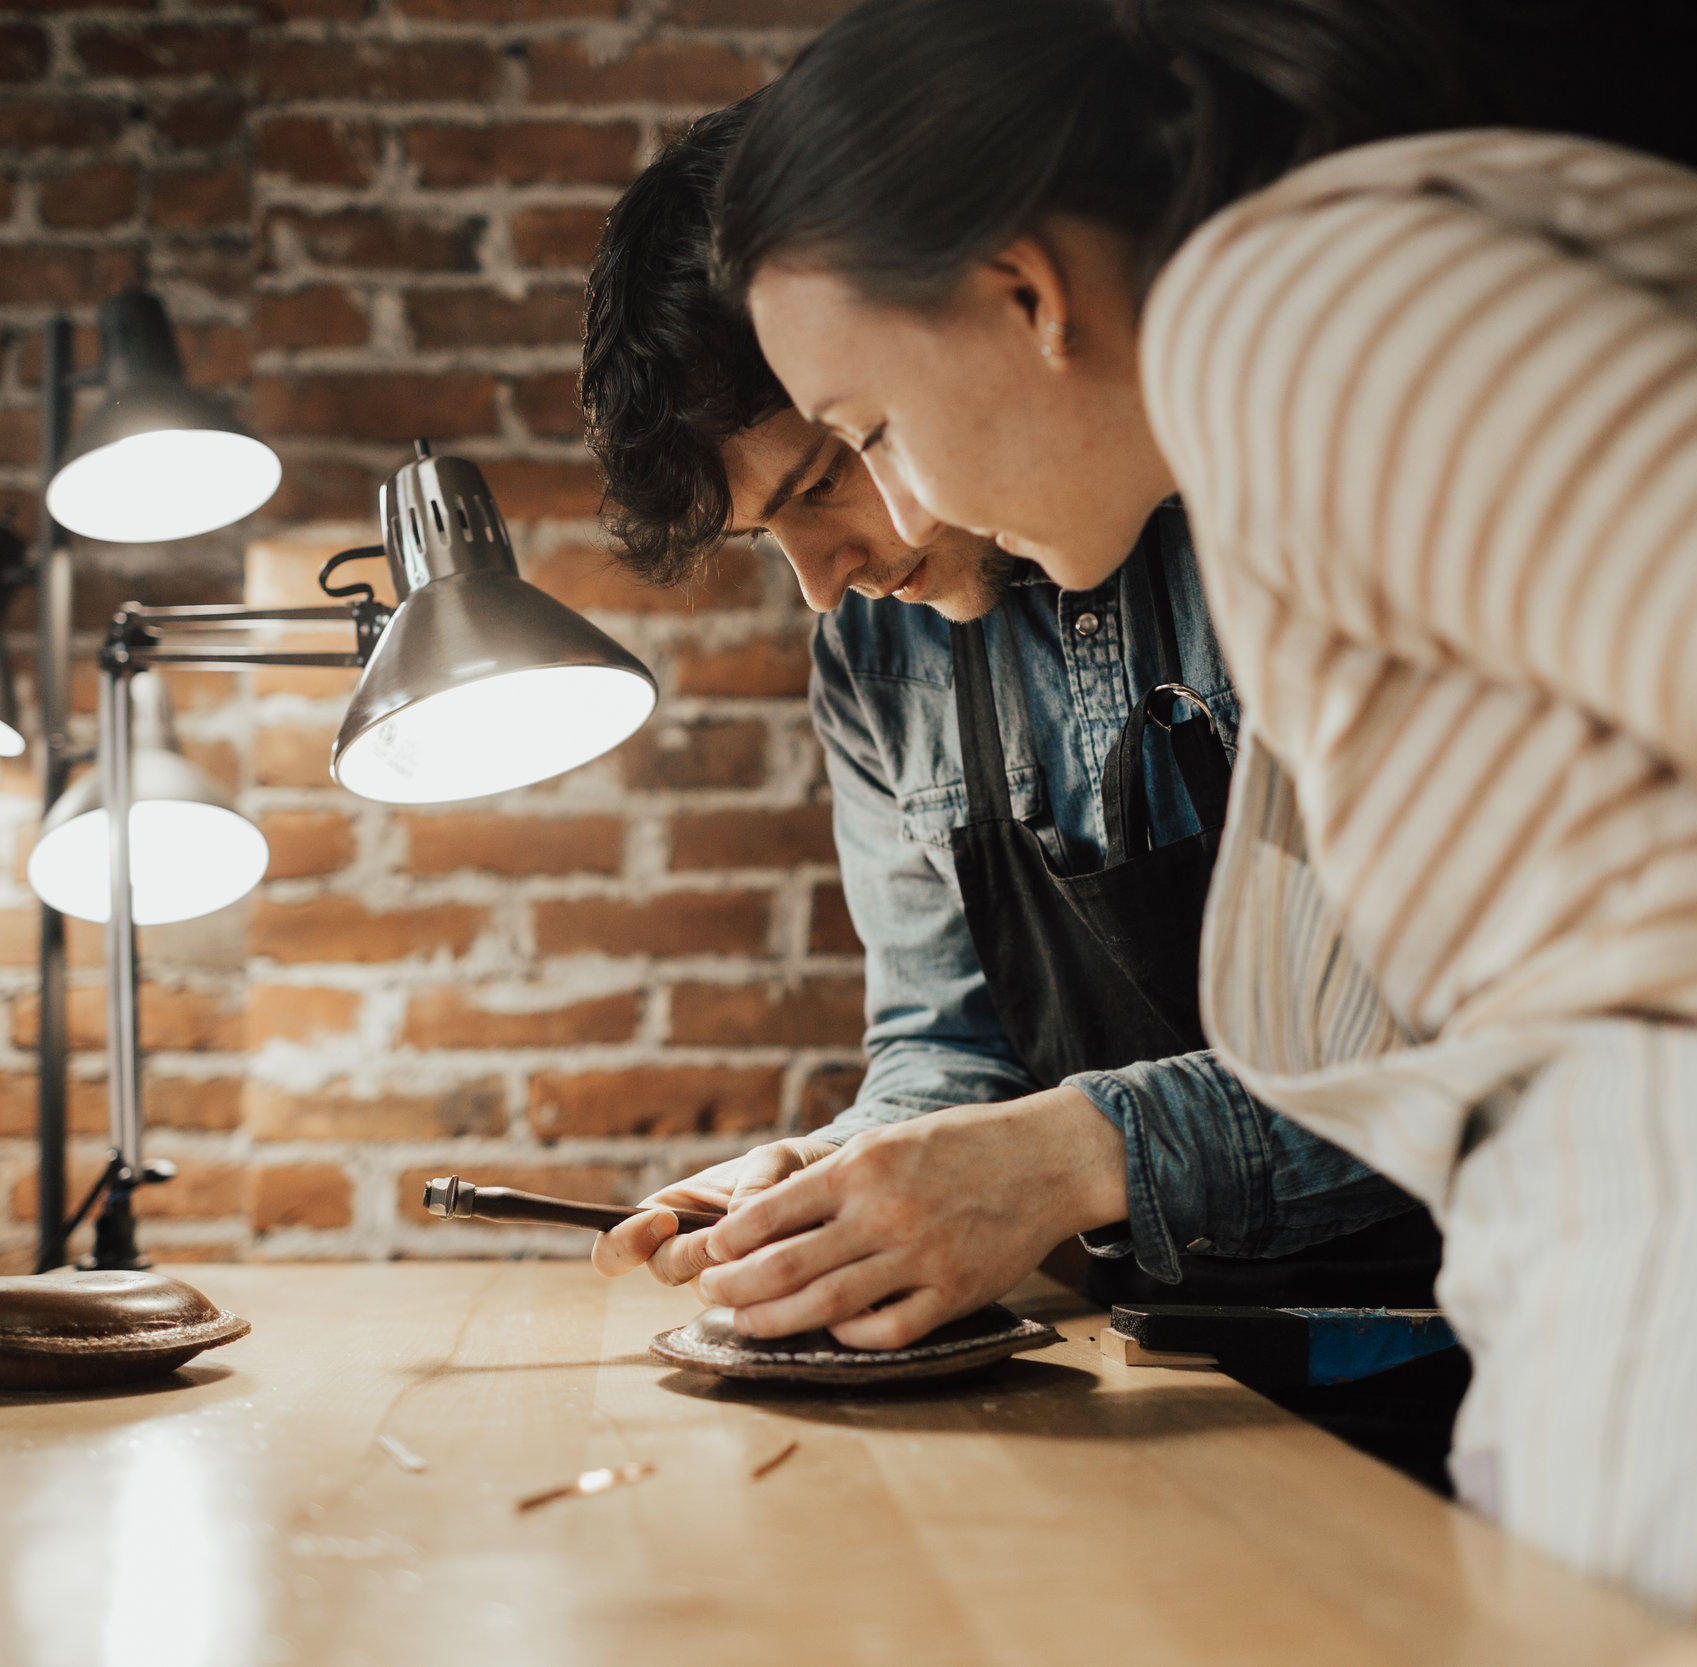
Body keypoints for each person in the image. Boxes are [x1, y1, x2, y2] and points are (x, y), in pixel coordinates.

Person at [701, 0, 1697, 1650]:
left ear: (1025, 294)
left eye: (869, 432)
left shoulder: (1303, 306)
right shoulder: (1376, 340)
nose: (898, 515)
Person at [576, 104, 1445, 1395]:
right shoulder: (876, 661)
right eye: (771, 541)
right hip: (1171, 1369)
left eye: (831, 469)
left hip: (1477, 1333)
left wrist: (1070, 1156)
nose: (826, 587)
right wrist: (851, 1180)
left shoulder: (1305, 521)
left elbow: (1460, 1045)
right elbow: (948, 1048)